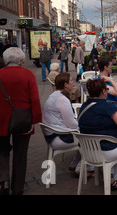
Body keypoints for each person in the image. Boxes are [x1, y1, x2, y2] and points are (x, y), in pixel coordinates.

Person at [78, 78, 117, 191]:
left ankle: (110, 175)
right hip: (106, 152)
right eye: (106, 89)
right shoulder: (109, 107)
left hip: (86, 151)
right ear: (103, 92)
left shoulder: (83, 106)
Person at [0, 47, 42, 195]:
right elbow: (35, 99)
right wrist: (34, 120)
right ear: (21, 60)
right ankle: (17, 187)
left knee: (2, 152)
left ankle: (3, 181)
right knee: (21, 153)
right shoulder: (28, 75)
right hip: (22, 119)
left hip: (2, 119)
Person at [42, 72, 81, 172]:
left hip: (52, 135)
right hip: (59, 137)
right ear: (65, 84)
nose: (73, 82)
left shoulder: (54, 96)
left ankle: (75, 163)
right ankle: (83, 167)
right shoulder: (62, 99)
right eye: (71, 80)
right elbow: (70, 124)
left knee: (84, 134)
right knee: (88, 138)